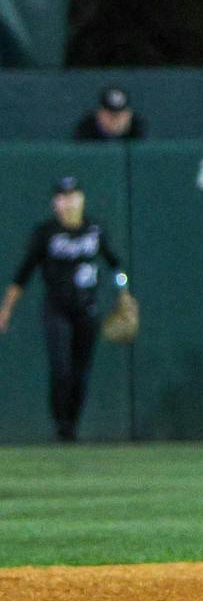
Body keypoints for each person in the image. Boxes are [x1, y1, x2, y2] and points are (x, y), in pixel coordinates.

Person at [0, 176, 132, 441]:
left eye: (73, 196)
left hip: (87, 309)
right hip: (56, 309)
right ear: (55, 202)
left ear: (81, 199)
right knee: (61, 368)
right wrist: (6, 310)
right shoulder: (46, 233)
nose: (68, 202)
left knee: (80, 373)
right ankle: (60, 425)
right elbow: (22, 275)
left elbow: (116, 267)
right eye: (63, 197)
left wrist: (124, 292)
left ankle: (71, 426)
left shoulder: (94, 230)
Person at [74, 86, 146, 141]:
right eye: (109, 115)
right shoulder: (86, 132)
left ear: (128, 115)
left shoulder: (136, 131)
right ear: (99, 114)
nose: (114, 120)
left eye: (118, 115)